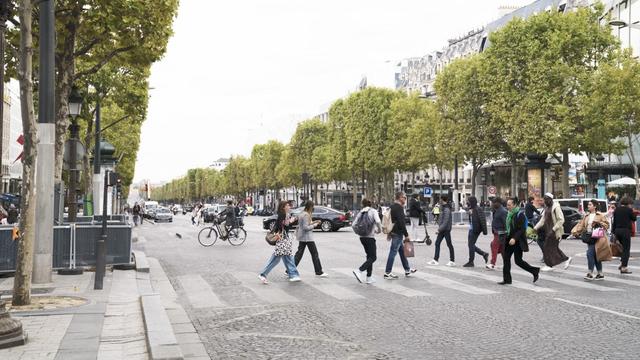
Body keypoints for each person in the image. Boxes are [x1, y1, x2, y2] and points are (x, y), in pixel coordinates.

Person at [499, 197, 540, 285]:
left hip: (517, 241)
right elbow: (508, 227)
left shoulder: (520, 214)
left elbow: (521, 229)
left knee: (518, 261)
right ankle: (507, 279)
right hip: (509, 240)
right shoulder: (509, 214)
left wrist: (514, 238)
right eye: (507, 205)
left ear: (514, 205)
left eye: (509, 205)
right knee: (506, 259)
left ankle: (535, 271)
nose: (507, 207)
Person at [259, 201, 300, 283]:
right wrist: (291, 220)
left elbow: (283, 225)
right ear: (283, 207)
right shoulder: (283, 214)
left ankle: (293, 274)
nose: (289, 206)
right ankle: (263, 274)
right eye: (287, 205)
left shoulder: (285, 214)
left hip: (284, 238)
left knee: (287, 257)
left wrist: (291, 219)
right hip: (282, 239)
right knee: (277, 259)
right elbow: (282, 225)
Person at [571, 199, 609, 280]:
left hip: (598, 237)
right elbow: (581, 225)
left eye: (590, 204)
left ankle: (590, 273)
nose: (588, 206)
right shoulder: (586, 216)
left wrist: (599, 223)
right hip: (589, 237)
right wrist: (575, 232)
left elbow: (606, 225)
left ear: (595, 206)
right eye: (588, 205)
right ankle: (600, 273)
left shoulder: (600, 215)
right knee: (595, 255)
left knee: (589, 254)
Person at [534, 193, 571, 271]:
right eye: (544, 199)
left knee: (548, 247)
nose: (544, 201)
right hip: (548, 231)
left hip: (555, 232)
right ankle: (565, 259)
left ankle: (550, 265)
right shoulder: (547, 207)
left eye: (546, 199)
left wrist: (553, 229)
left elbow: (561, 220)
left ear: (550, 199)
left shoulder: (556, 207)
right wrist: (536, 227)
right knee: (552, 248)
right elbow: (543, 220)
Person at [384, 192, 417, 280]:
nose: (405, 199)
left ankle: (407, 269)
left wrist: (389, 233)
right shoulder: (399, 208)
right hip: (398, 233)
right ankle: (387, 272)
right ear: (399, 198)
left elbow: (390, 221)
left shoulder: (392, 206)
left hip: (394, 232)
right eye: (404, 197)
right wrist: (406, 235)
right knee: (393, 252)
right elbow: (401, 222)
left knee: (402, 252)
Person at [293, 200, 328, 277]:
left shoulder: (303, 213)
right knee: (315, 254)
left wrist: (315, 221)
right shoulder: (306, 215)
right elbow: (306, 227)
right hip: (307, 238)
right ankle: (319, 271)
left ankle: (289, 270)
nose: (313, 208)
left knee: (299, 254)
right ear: (310, 206)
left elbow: (306, 224)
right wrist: (315, 225)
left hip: (303, 237)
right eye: (313, 206)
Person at [352, 198, 382, 284]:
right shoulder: (373, 211)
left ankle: (369, 277)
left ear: (363, 204)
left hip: (362, 238)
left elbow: (353, 225)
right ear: (371, 204)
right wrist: (379, 230)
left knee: (369, 257)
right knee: (373, 257)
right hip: (370, 237)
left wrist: (358, 232)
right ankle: (359, 270)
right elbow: (378, 221)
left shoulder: (360, 212)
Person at [612, 196, 637, 274]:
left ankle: (622, 263)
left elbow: (614, 222)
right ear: (628, 203)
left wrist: (613, 233)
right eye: (631, 204)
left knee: (621, 248)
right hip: (625, 231)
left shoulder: (616, 210)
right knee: (626, 249)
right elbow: (634, 219)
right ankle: (624, 267)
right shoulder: (629, 210)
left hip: (617, 231)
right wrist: (632, 211)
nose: (631, 205)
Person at [427, 195, 455, 266]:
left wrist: (439, 230)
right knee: (437, 243)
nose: (439, 201)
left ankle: (452, 260)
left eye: (440, 199)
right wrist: (435, 207)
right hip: (443, 229)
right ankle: (435, 260)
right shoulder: (441, 207)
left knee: (449, 244)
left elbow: (445, 221)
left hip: (446, 229)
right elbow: (434, 214)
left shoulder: (447, 209)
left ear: (442, 200)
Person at [463, 196, 489, 268]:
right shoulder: (472, 209)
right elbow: (467, 211)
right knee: (470, 245)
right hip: (471, 229)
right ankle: (484, 254)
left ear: (472, 202)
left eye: (469, 201)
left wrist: (484, 231)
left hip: (475, 230)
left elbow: (482, 220)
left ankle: (471, 261)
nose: (468, 202)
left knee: (471, 245)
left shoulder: (478, 209)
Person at [487, 197, 507, 270]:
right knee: (501, 249)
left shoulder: (503, 211)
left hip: (500, 232)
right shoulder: (497, 210)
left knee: (494, 246)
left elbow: (506, 223)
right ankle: (506, 262)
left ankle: (492, 263)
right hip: (497, 232)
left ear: (498, 203)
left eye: (494, 203)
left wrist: (506, 233)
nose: (492, 204)